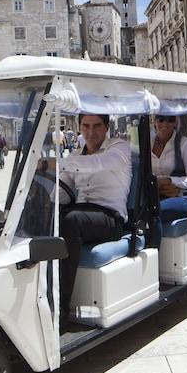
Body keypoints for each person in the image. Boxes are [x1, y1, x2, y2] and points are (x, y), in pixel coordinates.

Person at [57, 114, 132, 328]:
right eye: (86, 126)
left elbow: (96, 164)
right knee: (47, 218)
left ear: (107, 127)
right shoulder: (75, 155)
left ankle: (61, 309)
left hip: (110, 218)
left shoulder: (119, 149)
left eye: (97, 126)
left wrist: (56, 162)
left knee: (71, 220)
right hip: (81, 214)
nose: (91, 132)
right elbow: (63, 190)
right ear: (79, 127)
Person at [150, 115, 187, 243]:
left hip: (181, 197)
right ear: (154, 122)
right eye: (161, 119)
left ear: (175, 122)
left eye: (170, 119)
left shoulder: (185, 144)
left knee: (153, 212)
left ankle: (154, 255)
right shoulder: (147, 144)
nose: (165, 123)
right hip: (155, 196)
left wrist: (170, 181)